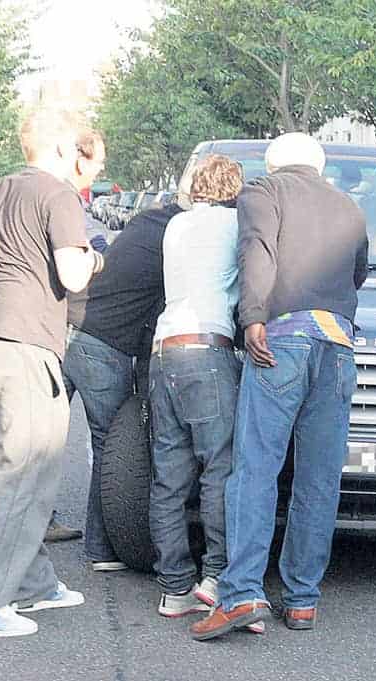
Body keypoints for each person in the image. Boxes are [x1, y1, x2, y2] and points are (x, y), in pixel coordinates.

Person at [190, 133, 368, 640]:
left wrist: (252, 318)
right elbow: (357, 275)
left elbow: (257, 251)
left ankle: (243, 592)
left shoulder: (263, 192)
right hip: (338, 344)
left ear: (274, 164)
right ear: (319, 165)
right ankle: (303, 600)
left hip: (281, 341)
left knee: (256, 469)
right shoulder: (350, 209)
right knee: (319, 478)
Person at [0, 108, 102, 638]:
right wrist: (94, 258)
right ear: (63, 149)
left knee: (16, 470)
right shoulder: (58, 195)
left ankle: (34, 583)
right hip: (24, 346)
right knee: (25, 474)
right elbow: (73, 274)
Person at [147, 155, 244, 620]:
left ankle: (173, 588)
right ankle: (217, 575)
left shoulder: (177, 226)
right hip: (208, 350)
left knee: (170, 475)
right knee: (219, 468)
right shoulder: (235, 224)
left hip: (164, 349)